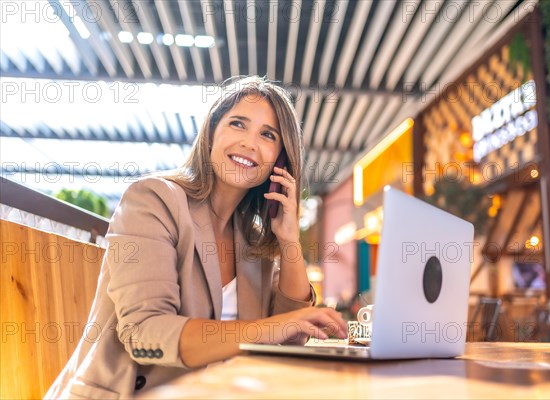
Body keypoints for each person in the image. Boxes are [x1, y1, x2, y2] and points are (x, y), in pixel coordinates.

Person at [45, 76, 347, 398]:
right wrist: (273, 328)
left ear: (280, 161)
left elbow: (289, 338)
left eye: (267, 135)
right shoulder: (153, 200)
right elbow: (145, 335)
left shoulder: (252, 243)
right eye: (237, 124)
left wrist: (289, 240)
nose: (249, 142)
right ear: (210, 135)